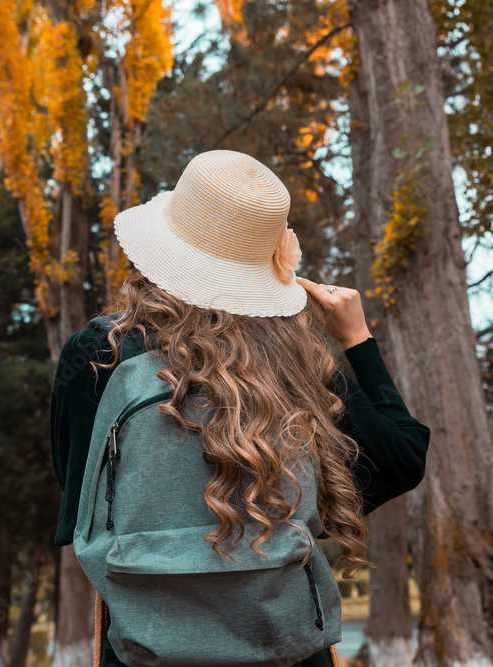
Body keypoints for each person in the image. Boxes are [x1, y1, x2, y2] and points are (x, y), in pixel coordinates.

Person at [49, 149, 431, 667]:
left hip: (147, 647)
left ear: (163, 245)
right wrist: (357, 338)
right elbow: (402, 459)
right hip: (287, 647)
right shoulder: (296, 364)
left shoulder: (101, 353)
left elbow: (83, 502)